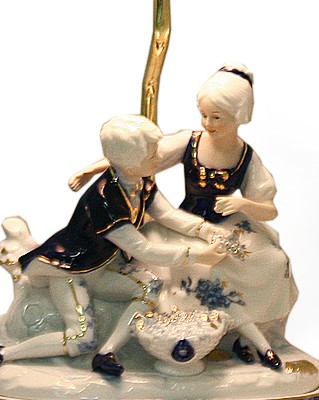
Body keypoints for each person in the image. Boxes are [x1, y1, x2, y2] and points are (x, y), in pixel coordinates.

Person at [68, 64, 298, 369]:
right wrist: (91, 169)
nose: (208, 123)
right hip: (186, 221)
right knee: (196, 269)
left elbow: (269, 208)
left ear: (239, 115)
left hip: (226, 224)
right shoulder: (189, 142)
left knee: (272, 262)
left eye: (217, 117)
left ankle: (246, 334)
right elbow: (136, 155)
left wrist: (242, 204)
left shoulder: (246, 157)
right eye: (204, 115)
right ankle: (197, 328)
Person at [0, 115, 227, 376]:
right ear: (129, 161)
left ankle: (107, 353)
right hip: (72, 269)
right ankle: (6, 353)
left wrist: (205, 229)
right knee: (81, 339)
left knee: (151, 286)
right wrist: (198, 255)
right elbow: (143, 249)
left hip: (103, 267)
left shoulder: (141, 182)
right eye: (152, 154)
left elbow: (167, 215)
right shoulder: (106, 199)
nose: (159, 158)